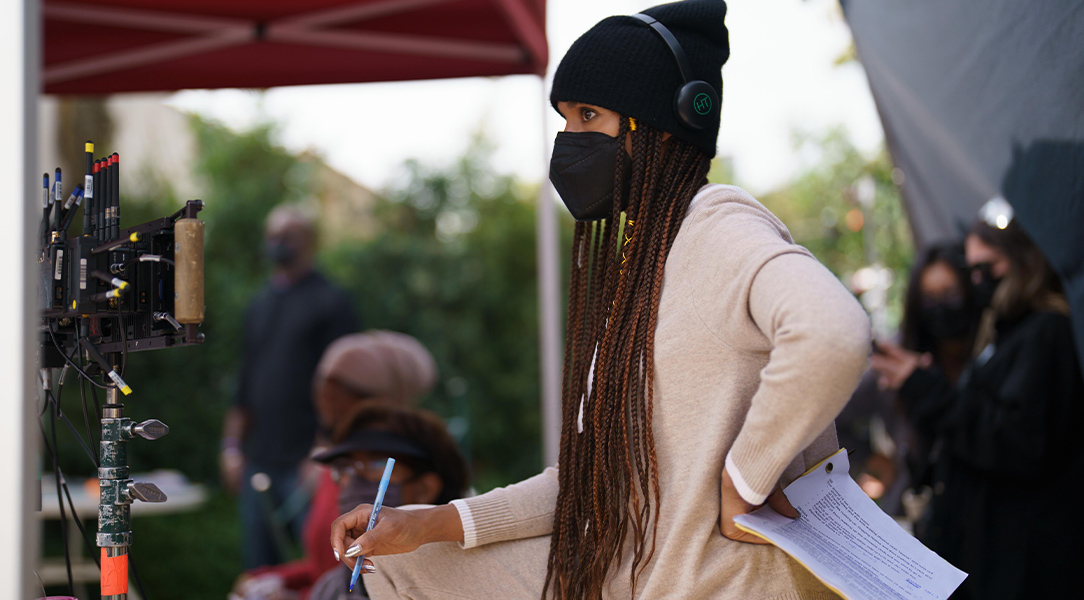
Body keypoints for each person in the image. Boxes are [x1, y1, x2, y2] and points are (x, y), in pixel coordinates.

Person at [330, 2, 872, 598]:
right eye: (564, 119)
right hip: (632, 574)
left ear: (667, 124)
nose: (569, 140)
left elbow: (832, 333)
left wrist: (745, 478)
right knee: (397, 565)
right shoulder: (643, 259)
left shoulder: (716, 225)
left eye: (589, 115)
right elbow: (588, 486)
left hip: (718, 583)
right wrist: (430, 522)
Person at [872, 209, 1083, 599]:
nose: (980, 280)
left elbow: (1018, 440)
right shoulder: (1005, 338)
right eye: (972, 270)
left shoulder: (1045, 332)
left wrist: (930, 391)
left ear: (1024, 259)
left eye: (989, 265)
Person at [233, 331, 438, 599]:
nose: (324, 398)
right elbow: (325, 565)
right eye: (322, 385)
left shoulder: (396, 478)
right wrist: (269, 577)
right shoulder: (339, 466)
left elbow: (370, 582)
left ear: (380, 400)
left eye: (341, 389)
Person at [223, 203, 360, 569]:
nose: (279, 243)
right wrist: (232, 446)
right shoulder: (258, 305)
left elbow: (344, 385)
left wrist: (324, 450)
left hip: (307, 464)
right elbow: (245, 381)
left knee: (317, 565)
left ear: (311, 241)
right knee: (261, 570)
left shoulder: (332, 301)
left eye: (289, 235)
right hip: (258, 461)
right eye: (273, 235)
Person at [235, 402, 468, 600]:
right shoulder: (334, 585)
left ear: (425, 489)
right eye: (345, 467)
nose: (354, 481)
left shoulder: (460, 579)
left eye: (377, 465)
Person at [836, 244, 978, 513]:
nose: (941, 309)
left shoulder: (991, 352)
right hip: (918, 506)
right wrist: (870, 458)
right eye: (930, 299)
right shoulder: (897, 360)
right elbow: (832, 415)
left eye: (951, 294)